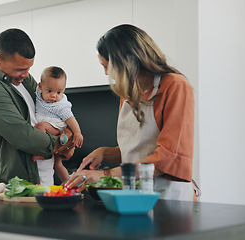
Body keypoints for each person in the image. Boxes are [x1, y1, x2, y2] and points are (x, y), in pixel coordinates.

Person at [65, 24, 197, 201]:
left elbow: (169, 158)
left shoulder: (175, 86)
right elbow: (137, 150)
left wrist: (107, 174)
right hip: (134, 194)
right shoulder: (128, 94)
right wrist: (104, 152)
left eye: (107, 66)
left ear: (126, 62)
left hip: (168, 197)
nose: (106, 73)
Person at [0, 28, 75, 185]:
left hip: (43, 177)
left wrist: (69, 133)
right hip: (16, 184)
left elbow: (55, 109)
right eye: (20, 69)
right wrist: (63, 142)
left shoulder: (22, 79)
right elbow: (24, 136)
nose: (26, 74)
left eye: (28, 68)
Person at [33, 66, 84, 184]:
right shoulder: (37, 93)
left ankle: (39, 152)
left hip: (55, 126)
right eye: (49, 91)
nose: (54, 96)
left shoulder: (61, 106)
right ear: (40, 87)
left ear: (64, 90)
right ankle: (69, 184)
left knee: (40, 126)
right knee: (57, 164)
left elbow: (71, 119)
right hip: (55, 130)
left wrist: (77, 132)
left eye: (59, 92)